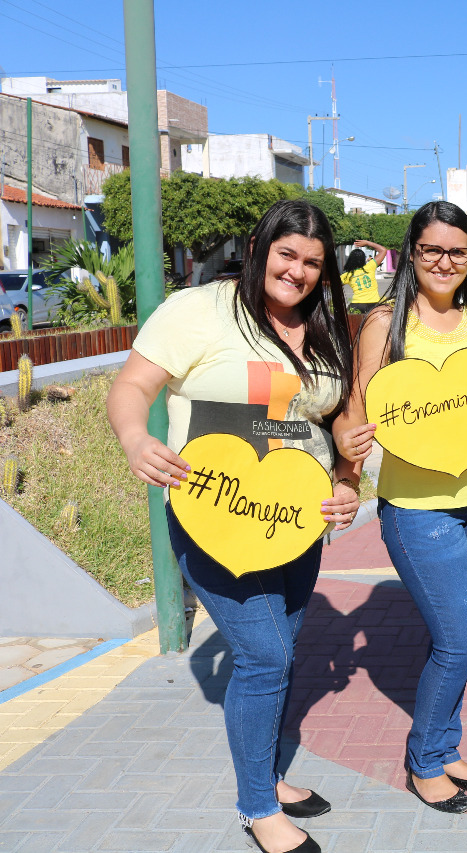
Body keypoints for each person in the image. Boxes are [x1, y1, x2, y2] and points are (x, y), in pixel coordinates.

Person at [106, 199, 360, 853]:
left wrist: (347, 482)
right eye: (286, 254)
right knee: (265, 655)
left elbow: (334, 420)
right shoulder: (199, 310)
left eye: (312, 262)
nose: (297, 271)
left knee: (280, 654)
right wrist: (135, 439)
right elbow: (131, 387)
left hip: (297, 522)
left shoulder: (323, 326)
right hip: (214, 514)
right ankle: (257, 807)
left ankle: (267, 776)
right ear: (257, 249)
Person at [332, 201, 467, 816]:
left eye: (457, 252)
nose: (444, 262)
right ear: (411, 254)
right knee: (460, 639)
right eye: (432, 250)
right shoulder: (384, 324)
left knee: (458, 636)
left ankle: (446, 747)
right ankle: (423, 761)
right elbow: (355, 410)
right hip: (418, 508)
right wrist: (346, 475)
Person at [341, 239, 389, 313]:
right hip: (374, 305)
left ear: (350, 260)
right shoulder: (370, 266)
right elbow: (383, 250)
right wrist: (367, 243)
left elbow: (332, 285)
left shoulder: (347, 275)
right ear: (363, 259)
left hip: (356, 305)